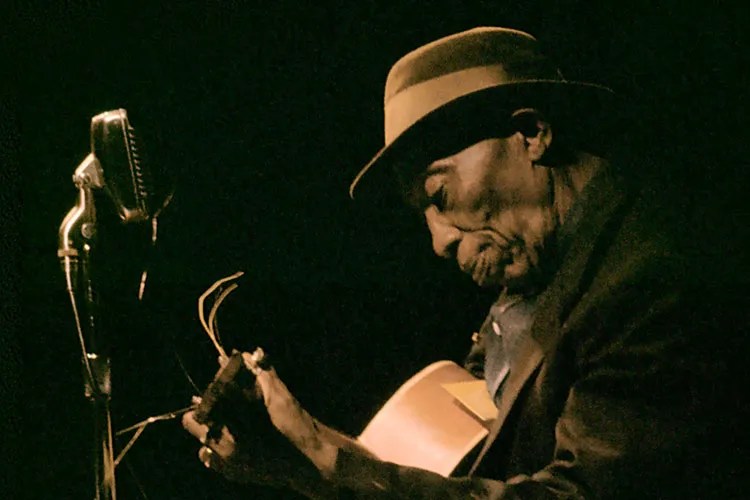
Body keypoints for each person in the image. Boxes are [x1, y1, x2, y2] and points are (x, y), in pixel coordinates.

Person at [183, 27, 746, 498]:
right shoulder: (533, 289)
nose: (438, 242)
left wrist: (325, 455)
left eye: (440, 196)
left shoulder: (654, 280)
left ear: (531, 134)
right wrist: (300, 462)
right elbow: (460, 478)